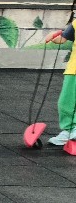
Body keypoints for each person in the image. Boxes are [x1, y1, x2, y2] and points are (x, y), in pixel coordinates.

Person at [44, 16, 76, 146]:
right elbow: (63, 38)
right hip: (73, 69)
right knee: (65, 102)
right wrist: (53, 36)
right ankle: (68, 130)